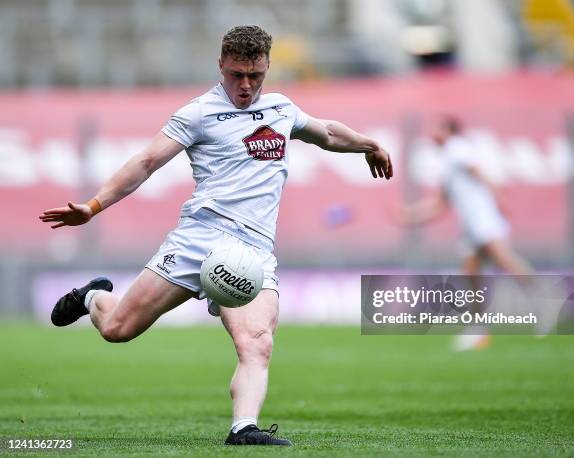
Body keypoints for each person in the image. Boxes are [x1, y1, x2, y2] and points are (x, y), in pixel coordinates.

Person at [39, 25, 392, 446]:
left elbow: (328, 133)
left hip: (253, 252)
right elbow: (147, 161)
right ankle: (93, 296)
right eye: (236, 75)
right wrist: (93, 206)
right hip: (199, 240)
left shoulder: (281, 109)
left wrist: (369, 144)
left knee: (256, 342)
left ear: (267, 68)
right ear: (221, 66)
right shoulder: (198, 113)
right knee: (118, 329)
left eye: (255, 76)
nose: (245, 85)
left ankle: (243, 428)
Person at [394, 116, 531, 350]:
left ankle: (546, 301)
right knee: (471, 275)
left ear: (449, 131)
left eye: (437, 128)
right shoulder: (447, 160)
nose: (432, 133)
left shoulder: (457, 148)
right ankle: (478, 329)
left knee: (504, 260)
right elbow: (439, 204)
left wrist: (498, 196)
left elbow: (479, 171)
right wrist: (411, 216)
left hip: (483, 218)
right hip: (470, 226)